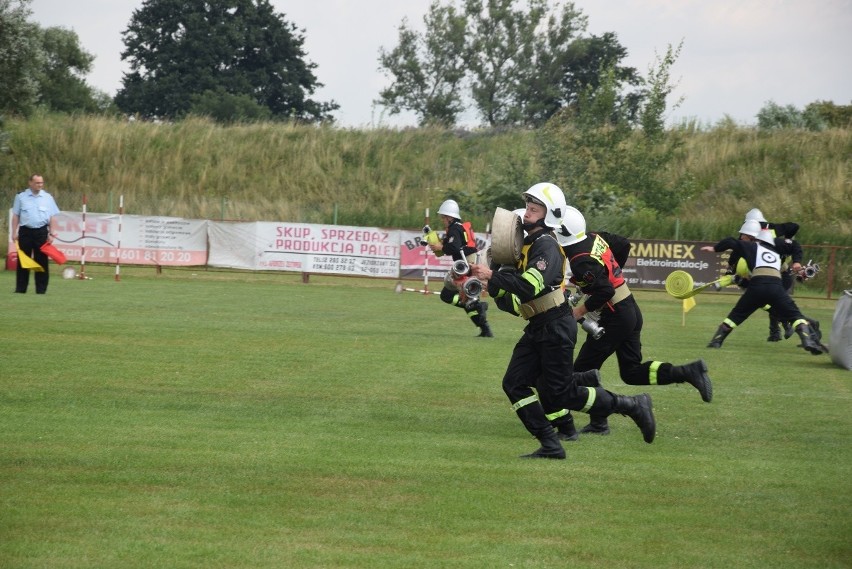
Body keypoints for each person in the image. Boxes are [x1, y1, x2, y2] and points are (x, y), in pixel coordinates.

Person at [470, 183, 656, 459]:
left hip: (556, 326)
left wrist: (492, 276)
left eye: (535, 208)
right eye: (528, 206)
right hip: (539, 326)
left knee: (560, 394)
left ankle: (631, 405)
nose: (528, 211)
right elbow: (515, 301)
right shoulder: (529, 246)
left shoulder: (547, 246)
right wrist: (491, 281)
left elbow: (529, 287)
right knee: (514, 383)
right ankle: (551, 444)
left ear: (551, 215)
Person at [555, 206, 713, 436]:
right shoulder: (594, 237)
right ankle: (688, 372)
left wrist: (580, 311)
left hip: (616, 316)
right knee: (631, 372)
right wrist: (608, 272)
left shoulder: (580, 260)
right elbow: (623, 244)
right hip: (629, 307)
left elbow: (605, 291)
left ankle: (599, 423)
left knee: (582, 371)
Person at [701, 219, 824, 355]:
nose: (741, 237)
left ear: (752, 237)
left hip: (757, 285)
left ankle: (716, 341)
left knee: (737, 315)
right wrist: (796, 262)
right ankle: (808, 341)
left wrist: (714, 249)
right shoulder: (776, 250)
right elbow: (794, 245)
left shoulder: (750, 246)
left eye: (743, 235)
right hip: (776, 286)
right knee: (795, 315)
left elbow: (731, 241)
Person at [428, 199, 493, 337]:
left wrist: (441, 247)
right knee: (467, 299)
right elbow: (451, 247)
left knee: (447, 295)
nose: (442, 220)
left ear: (450, 217)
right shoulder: (458, 227)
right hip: (470, 262)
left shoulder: (454, 229)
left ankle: (475, 307)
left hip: (466, 264)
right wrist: (440, 247)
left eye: (443, 217)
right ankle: (485, 330)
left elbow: (454, 247)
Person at [744, 208, 802, 341]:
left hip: (780, 271)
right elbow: (794, 227)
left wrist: (787, 240)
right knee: (772, 303)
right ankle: (778, 331)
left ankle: (786, 328)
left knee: (775, 303)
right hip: (771, 272)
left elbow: (794, 227)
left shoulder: (770, 230)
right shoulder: (761, 233)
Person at [11, 174, 61, 294]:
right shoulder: (21, 196)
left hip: (41, 232)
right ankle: (21, 289)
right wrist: (14, 232)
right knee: (23, 261)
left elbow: (53, 216)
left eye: (41, 183)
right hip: (25, 232)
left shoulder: (48, 197)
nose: (40, 185)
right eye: (37, 183)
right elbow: (16, 216)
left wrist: (52, 233)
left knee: (42, 261)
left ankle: (41, 290)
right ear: (30, 183)